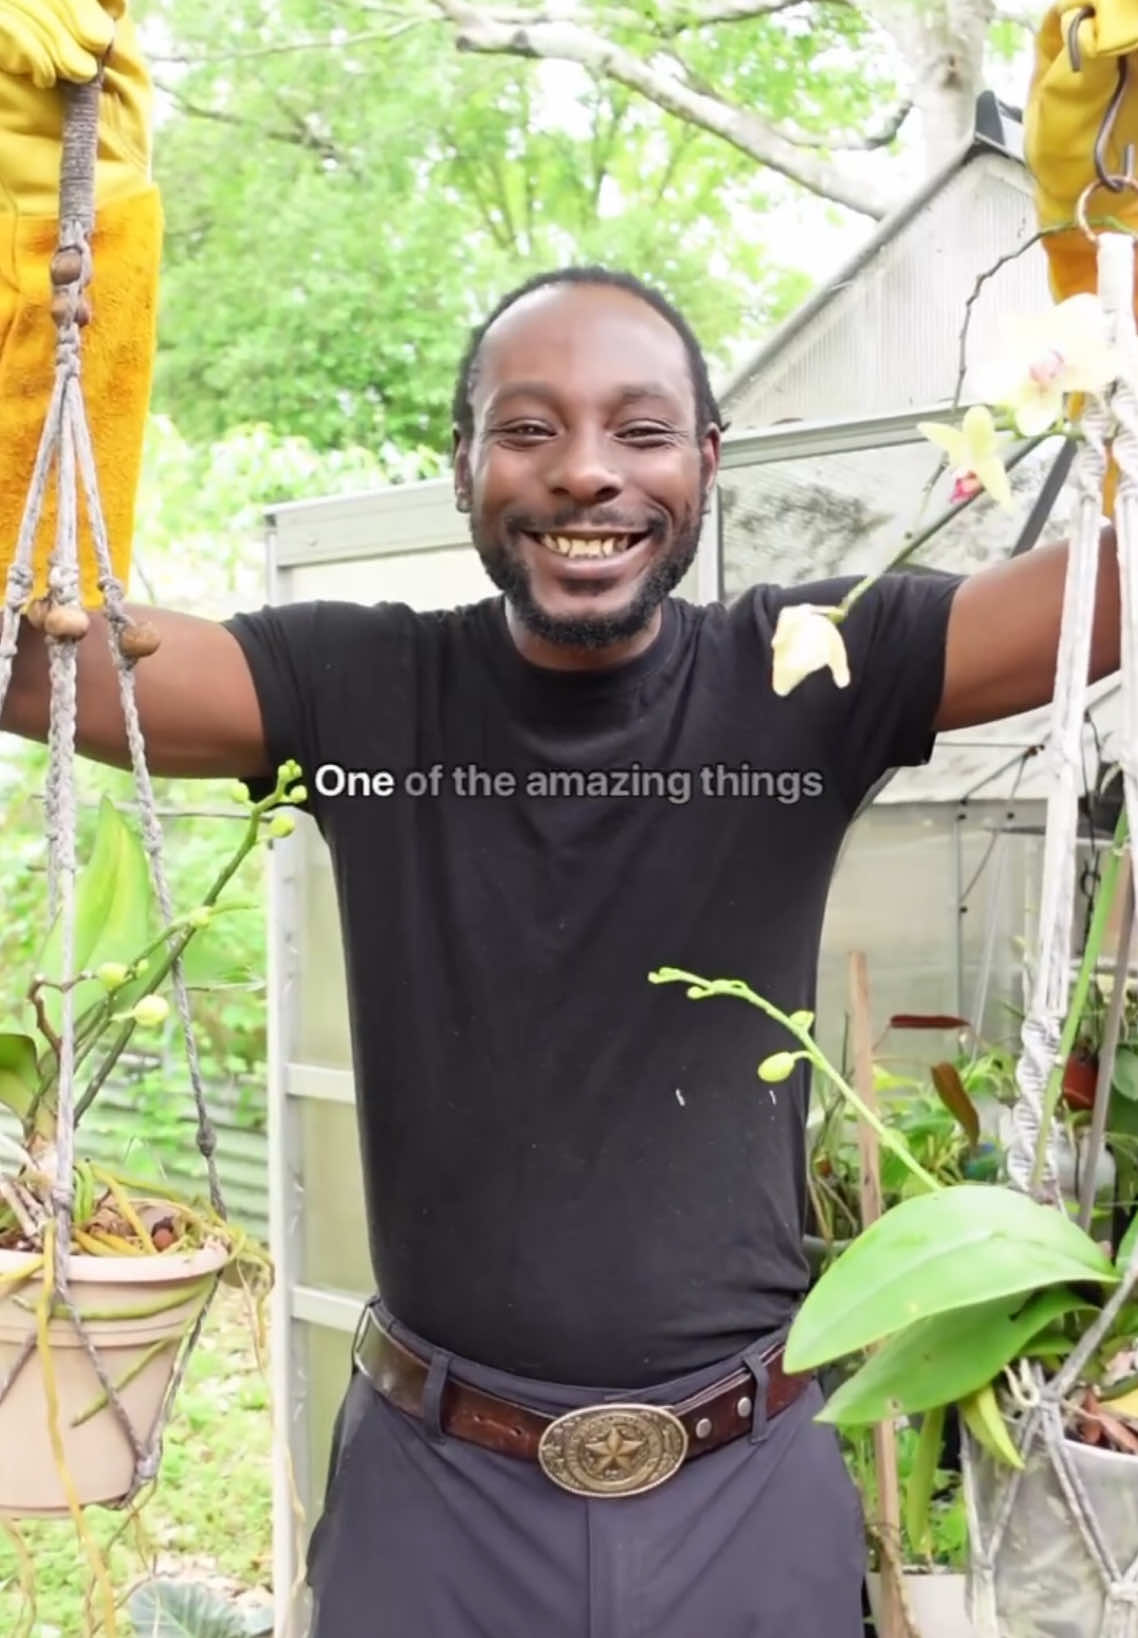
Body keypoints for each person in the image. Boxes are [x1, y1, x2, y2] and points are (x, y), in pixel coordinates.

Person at [1, 266, 1121, 1636]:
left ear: (706, 461)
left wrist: (1097, 253)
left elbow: (1102, 600)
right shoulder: (360, 687)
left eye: (640, 431)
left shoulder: (809, 666)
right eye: (527, 429)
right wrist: (45, 265)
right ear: (462, 462)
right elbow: (35, 661)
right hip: (436, 1498)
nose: (586, 472)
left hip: (744, 1490)